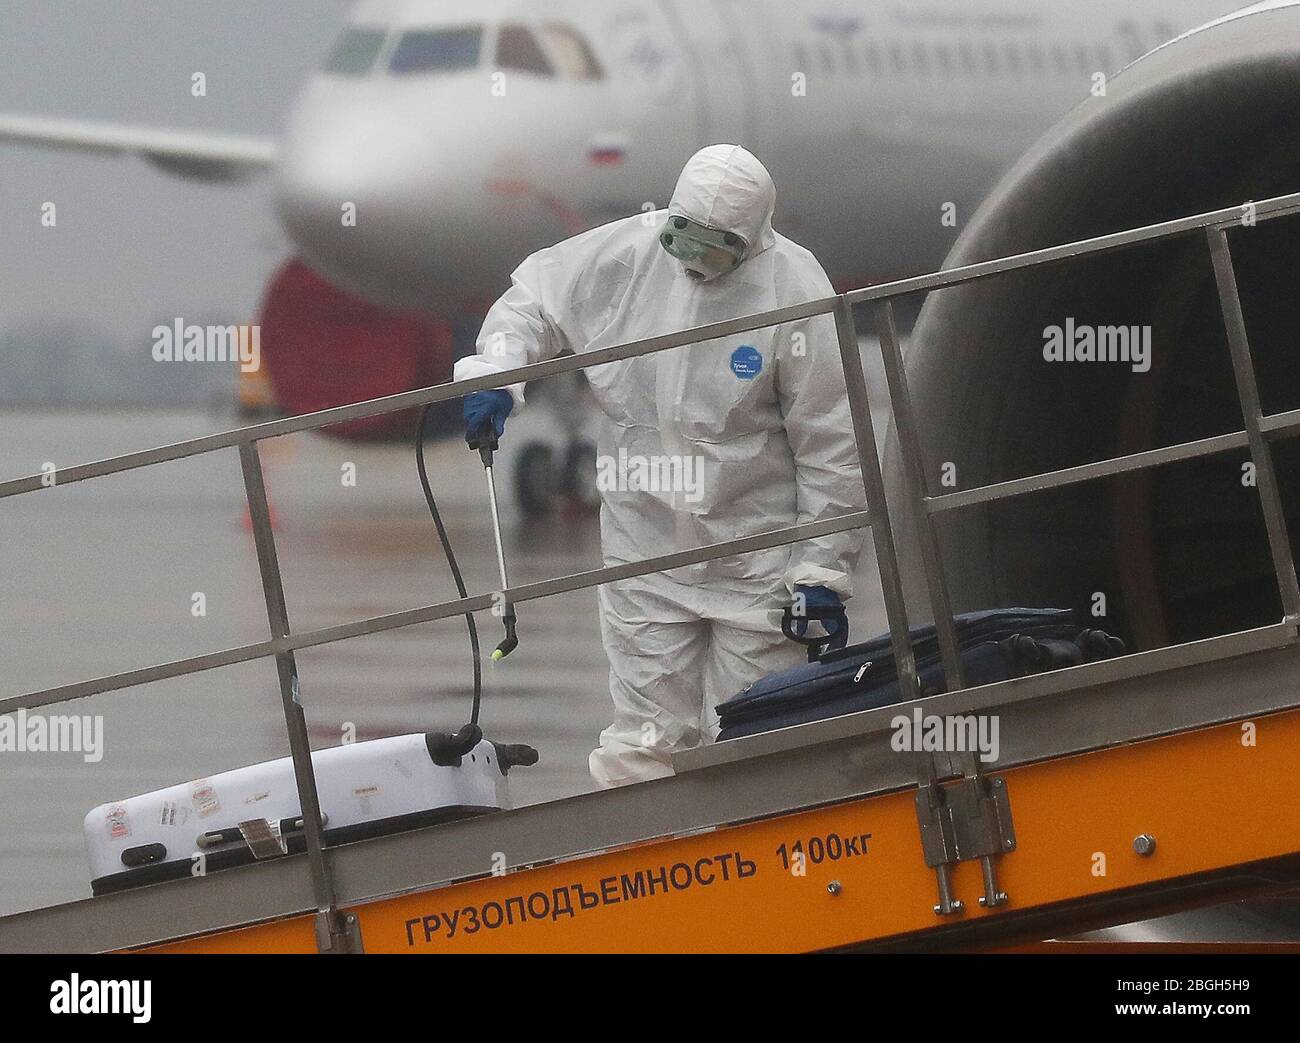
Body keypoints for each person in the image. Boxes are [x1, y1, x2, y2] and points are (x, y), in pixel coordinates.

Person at [457, 144, 864, 787]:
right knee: (642, 742)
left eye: (718, 249)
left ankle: (753, 877)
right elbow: (533, 301)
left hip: (756, 562)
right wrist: (498, 374)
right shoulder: (626, 258)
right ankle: (650, 866)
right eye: (686, 241)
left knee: (754, 738)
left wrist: (821, 570)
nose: (698, 263)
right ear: (668, 220)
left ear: (753, 240)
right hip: (645, 554)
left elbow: (831, 446)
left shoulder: (793, 289)